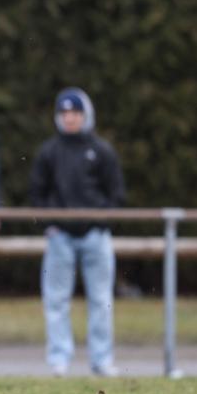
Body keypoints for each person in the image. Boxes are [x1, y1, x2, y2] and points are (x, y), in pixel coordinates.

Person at [31, 87, 125, 377]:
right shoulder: (49, 152)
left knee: (101, 300)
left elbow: (116, 193)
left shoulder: (101, 151)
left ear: (87, 115)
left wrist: (102, 224)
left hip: (95, 237)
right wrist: (51, 224)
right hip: (60, 238)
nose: (70, 119)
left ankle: (102, 359)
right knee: (56, 300)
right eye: (65, 113)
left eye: (75, 113)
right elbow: (38, 192)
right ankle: (59, 359)